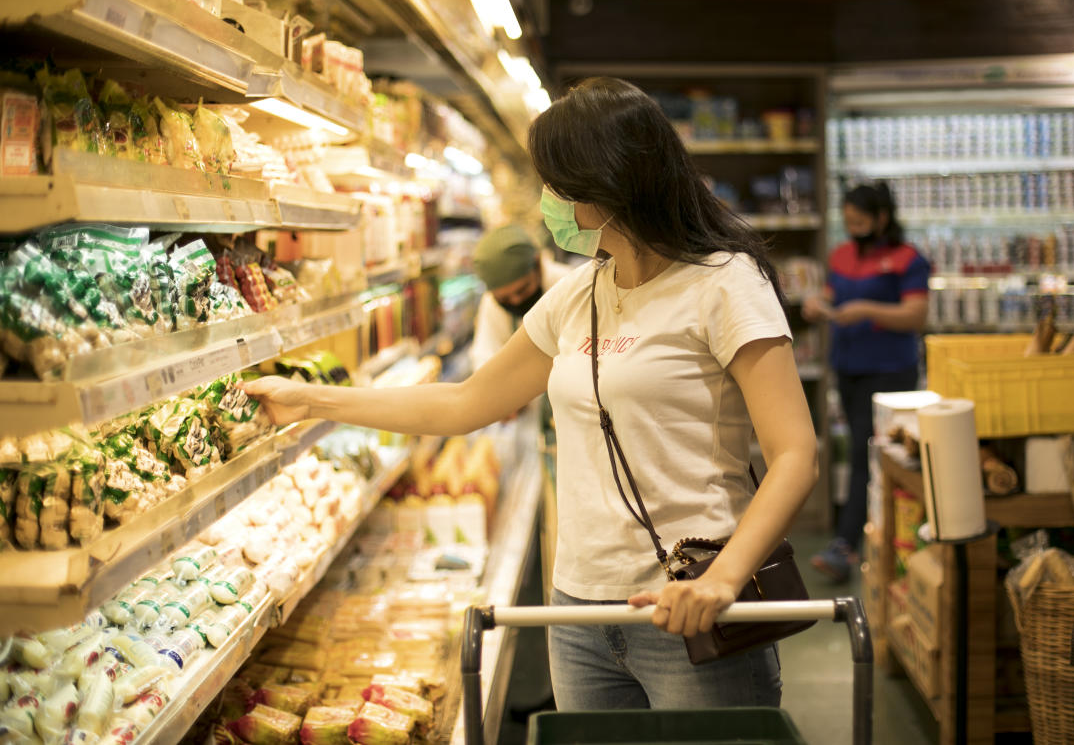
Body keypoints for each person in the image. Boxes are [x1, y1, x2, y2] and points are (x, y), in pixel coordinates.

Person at [245, 77, 818, 711]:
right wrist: (314, 402)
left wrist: (726, 578)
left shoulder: (724, 284)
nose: (549, 200)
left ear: (606, 183)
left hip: (690, 609)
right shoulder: (577, 295)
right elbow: (465, 403)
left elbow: (795, 453)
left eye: (556, 183)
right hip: (577, 615)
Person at [802, 182, 929, 584]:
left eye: (860, 220)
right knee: (861, 455)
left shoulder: (908, 259)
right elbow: (826, 295)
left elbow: (916, 316)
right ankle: (858, 542)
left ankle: (857, 542)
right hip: (849, 369)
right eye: (848, 220)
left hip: (892, 372)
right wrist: (816, 306)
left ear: (881, 218)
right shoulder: (840, 256)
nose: (852, 226)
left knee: (881, 456)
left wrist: (866, 310)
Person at [469, 224, 572, 372]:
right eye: (505, 299)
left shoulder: (569, 285)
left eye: (522, 290)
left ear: (537, 265)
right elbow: (484, 355)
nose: (516, 301)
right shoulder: (491, 302)